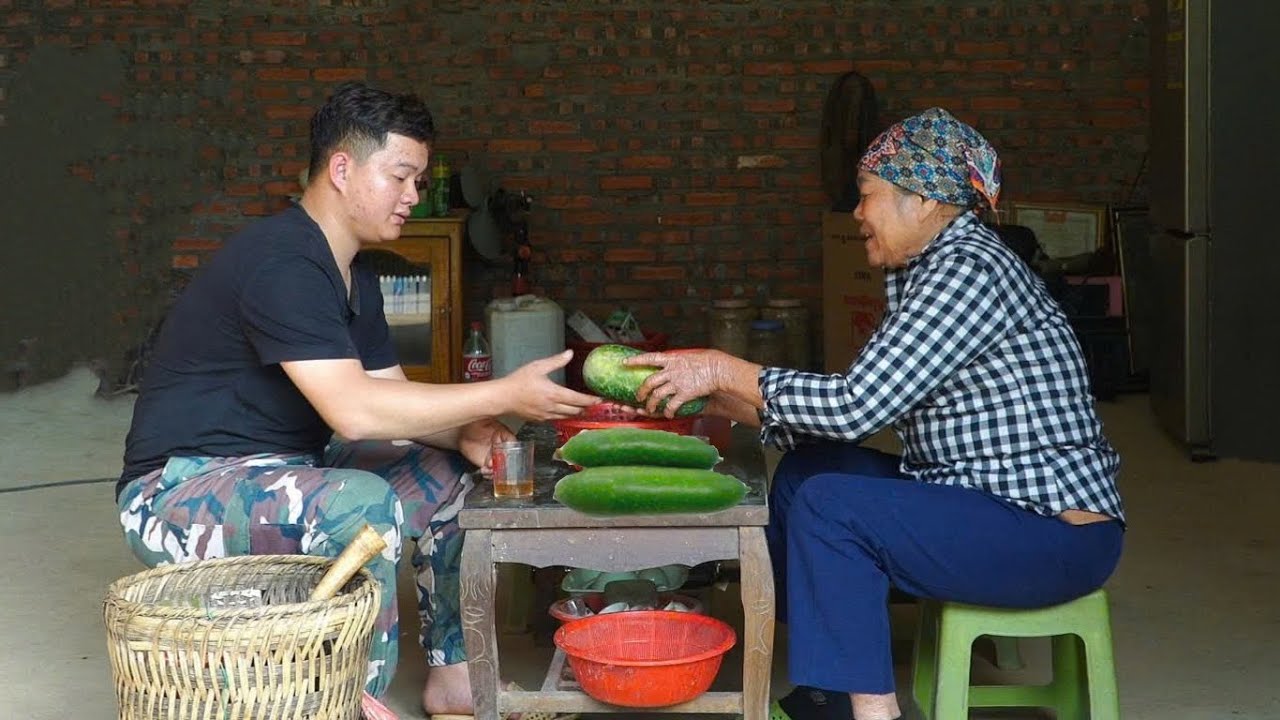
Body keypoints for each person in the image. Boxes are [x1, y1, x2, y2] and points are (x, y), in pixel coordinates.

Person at [115, 81, 598, 716]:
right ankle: (350, 698)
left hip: (286, 476)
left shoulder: (354, 273)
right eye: (400, 176)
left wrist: (469, 432)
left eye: (419, 181)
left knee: (448, 472)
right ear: (342, 169)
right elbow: (354, 412)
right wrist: (506, 390)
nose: (413, 197)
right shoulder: (281, 262)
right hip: (178, 492)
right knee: (362, 504)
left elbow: (391, 400)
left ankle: (452, 677)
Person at [624, 107, 1124, 720]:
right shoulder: (930, 269)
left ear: (921, 200)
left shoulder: (967, 270)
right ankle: (828, 687)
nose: (857, 215)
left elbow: (856, 405)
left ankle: (872, 711)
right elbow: (849, 408)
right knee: (809, 473)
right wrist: (711, 396)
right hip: (979, 500)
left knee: (832, 508)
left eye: (867, 197)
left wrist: (724, 367)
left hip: (1051, 534)